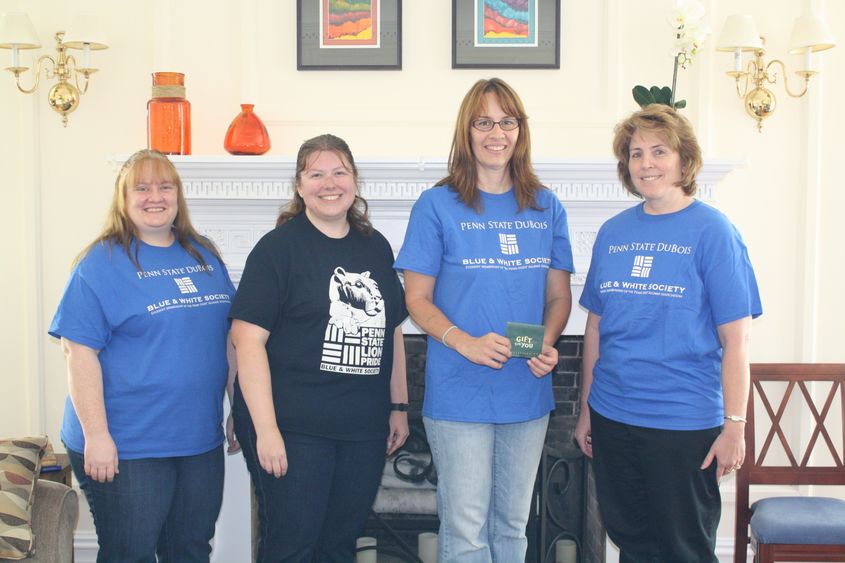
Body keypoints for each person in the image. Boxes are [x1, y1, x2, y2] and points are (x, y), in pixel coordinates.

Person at [395, 78, 574, 561]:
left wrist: (548, 341)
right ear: (467, 131)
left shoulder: (545, 206)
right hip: (458, 392)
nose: (497, 133)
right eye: (484, 122)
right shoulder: (436, 205)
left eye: (507, 121)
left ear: (520, 130)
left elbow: (558, 297)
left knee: (513, 528)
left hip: (526, 392)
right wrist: (465, 342)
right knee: (465, 530)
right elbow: (416, 299)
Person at [574, 104, 763, 562]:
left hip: (684, 424)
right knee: (632, 542)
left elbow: (736, 340)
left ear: (684, 159)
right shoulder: (613, 232)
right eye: (636, 154)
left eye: (659, 151)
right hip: (614, 416)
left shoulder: (714, 232)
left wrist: (735, 427)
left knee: (685, 549)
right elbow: (595, 327)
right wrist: (585, 411)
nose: (647, 163)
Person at [49, 149, 238, 563]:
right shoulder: (99, 264)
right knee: (129, 553)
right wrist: (97, 436)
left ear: (178, 195)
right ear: (124, 198)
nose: (155, 196)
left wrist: (237, 407)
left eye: (165, 186)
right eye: (143, 187)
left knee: (189, 550)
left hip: (197, 440)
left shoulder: (202, 254)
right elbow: (78, 353)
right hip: (126, 442)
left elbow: (229, 337)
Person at [230, 134, 409, 562]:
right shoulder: (277, 250)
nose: (329, 183)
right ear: (299, 185)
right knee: (293, 546)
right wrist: (267, 431)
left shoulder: (375, 246)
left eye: (339, 172)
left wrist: (398, 406)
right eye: (316, 174)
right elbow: (247, 340)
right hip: (293, 427)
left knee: (338, 545)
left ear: (354, 180)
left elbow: (391, 330)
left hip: (362, 428)